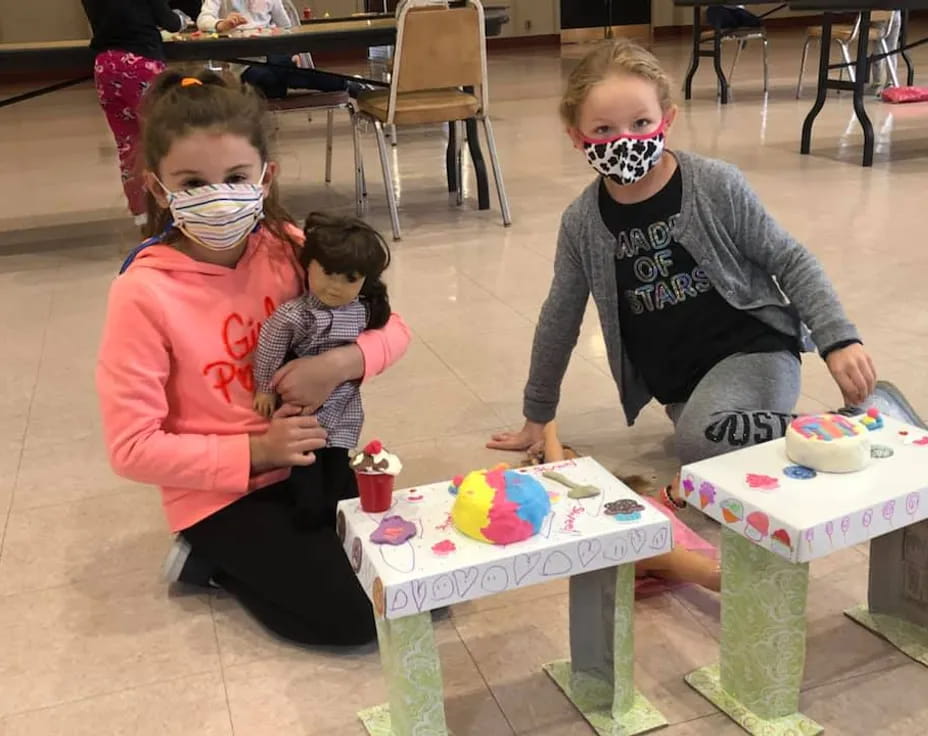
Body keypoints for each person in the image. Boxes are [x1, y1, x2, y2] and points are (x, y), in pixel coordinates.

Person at [487, 40, 878, 508]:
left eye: (641, 124)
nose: (625, 141)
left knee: (701, 443)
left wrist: (838, 338)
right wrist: (538, 414)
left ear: (666, 121)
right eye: (604, 130)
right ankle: (729, 424)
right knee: (703, 437)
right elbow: (559, 318)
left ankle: (846, 425)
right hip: (683, 384)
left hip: (755, 350)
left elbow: (790, 259)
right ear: (577, 137)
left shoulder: (715, 185)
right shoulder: (582, 222)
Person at [97, 69, 410, 647]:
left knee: (412, 584)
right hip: (220, 492)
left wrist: (339, 364)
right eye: (192, 182)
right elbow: (131, 447)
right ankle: (208, 559)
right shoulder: (142, 292)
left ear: (266, 178)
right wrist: (255, 450)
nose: (217, 195)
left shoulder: (291, 248)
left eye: (235, 176)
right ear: (158, 188)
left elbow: (394, 330)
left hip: (312, 461)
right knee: (355, 617)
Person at [252, 212, 392, 524]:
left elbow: (392, 335)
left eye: (350, 279)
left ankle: (339, 516)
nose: (335, 287)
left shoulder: (362, 311)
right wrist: (264, 387)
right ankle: (310, 522)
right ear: (308, 265)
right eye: (328, 273)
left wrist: (346, 364)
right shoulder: (293, 315)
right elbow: (269, 349)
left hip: (343, 402)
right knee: (307, 471)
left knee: (339, 465)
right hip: (304, 407)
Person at [81, 0, 191, 225]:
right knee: (164, 140)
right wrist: (183, 18)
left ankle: (142, 215)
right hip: (141, 63)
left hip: (106, 66)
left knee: (128, 144)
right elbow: (170, 22)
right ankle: (174, 208)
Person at [197, 0, 370, 98]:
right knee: (273, 77)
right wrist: (221, 24)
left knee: (279, 71)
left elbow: (287, 27)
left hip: (274, 53)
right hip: (246, 62)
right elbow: (203, 19)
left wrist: (293, 51)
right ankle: (347, 84)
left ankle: (347, 84)